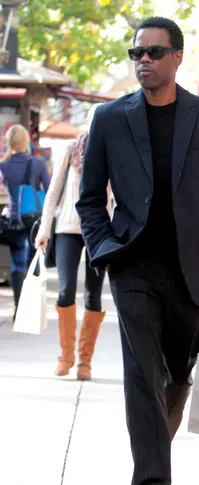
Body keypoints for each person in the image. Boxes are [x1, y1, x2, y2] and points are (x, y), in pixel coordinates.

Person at [77, 17, 199, 485]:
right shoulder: (108, 120)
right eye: (137, 53)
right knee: (140, 376)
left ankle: (155, 446)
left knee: (177, 375)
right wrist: (106, 248)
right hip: (133, 266)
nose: (143, 60)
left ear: (178, 57)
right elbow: (89, 200)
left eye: (154, 52)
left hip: (195, 271)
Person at [35, 105, 105, 381]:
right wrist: (44, 229)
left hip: (100, 231)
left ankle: (85, 361)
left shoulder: (111, 152)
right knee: (65, 291)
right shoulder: (69, 150)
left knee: (93, 295)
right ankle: (66, 356)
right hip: (66, 228)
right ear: (87, 123)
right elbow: (53, 193)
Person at [0, 124, 50, 319]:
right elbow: (48, 187)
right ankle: (32, 309)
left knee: (17, 264)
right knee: (33, 263)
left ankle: (18, 308)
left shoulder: (3, 165)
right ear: (25, 141)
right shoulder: (37, 164)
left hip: (13, 220)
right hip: (33, 220)